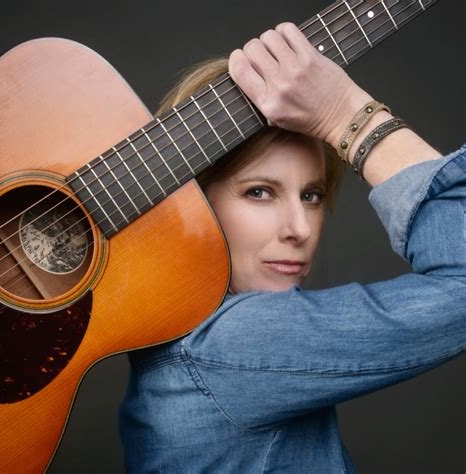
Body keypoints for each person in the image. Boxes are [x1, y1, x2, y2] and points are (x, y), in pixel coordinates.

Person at [119, 23, 465, 472]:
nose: (300, 229)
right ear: (188, 205)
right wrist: (347, 115)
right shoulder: (229, 344)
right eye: (259, 192)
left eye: (312, 196)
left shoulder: (180, 345)